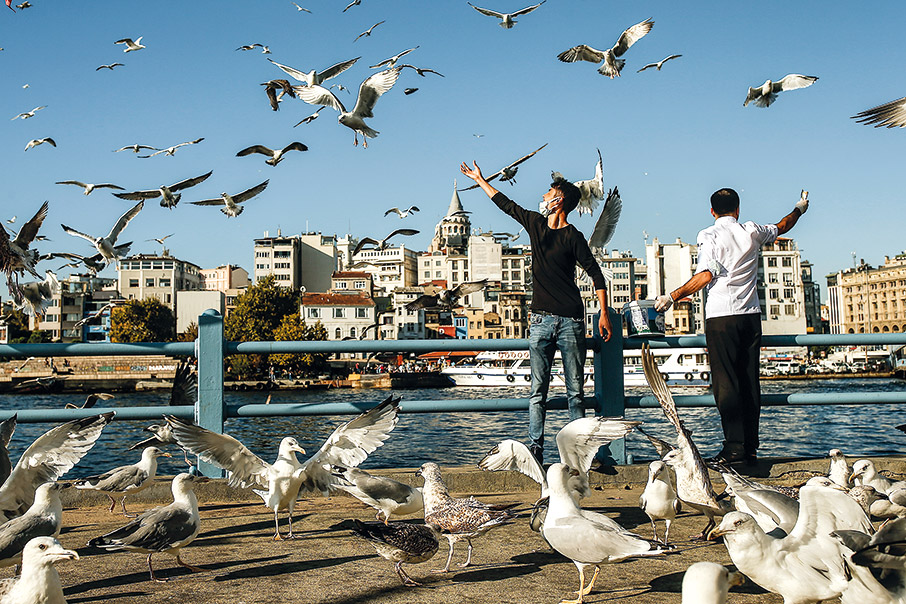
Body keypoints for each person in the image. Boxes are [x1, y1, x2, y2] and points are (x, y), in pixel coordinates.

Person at [460, 161, 612, 464]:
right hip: (541, 319)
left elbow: (596, 274)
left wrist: (604, 314)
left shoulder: (573, 236)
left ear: (558, 201)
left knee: (575, 393)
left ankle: (579, 451)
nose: (543, 196)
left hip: (571, 321)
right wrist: (480, 179)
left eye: (549, 193)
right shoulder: (535, 223)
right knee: (537, 392)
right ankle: (536, 448)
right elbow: (506, 204)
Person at [655, 188, 809, 465]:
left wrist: (672, 296)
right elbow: (784, 225)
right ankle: (750, 448)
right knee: (749, 382)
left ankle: (734, 447)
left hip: (722, 316)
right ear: (738, 209)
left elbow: (705, 275)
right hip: (750, 316)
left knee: (726, 384)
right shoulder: (752, 231)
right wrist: (800, 207)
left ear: (712, 211)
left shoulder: (709, 235)